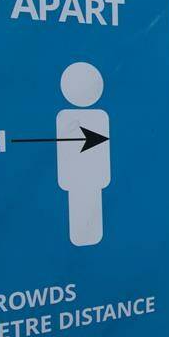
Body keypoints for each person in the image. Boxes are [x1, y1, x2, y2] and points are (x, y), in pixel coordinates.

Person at [57, 62, 110, 246]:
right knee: (82, 220)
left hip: (91, 180)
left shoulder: (99, 118)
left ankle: (85, 243)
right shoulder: (67, 118)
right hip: (79, 181)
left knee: (89, 225)